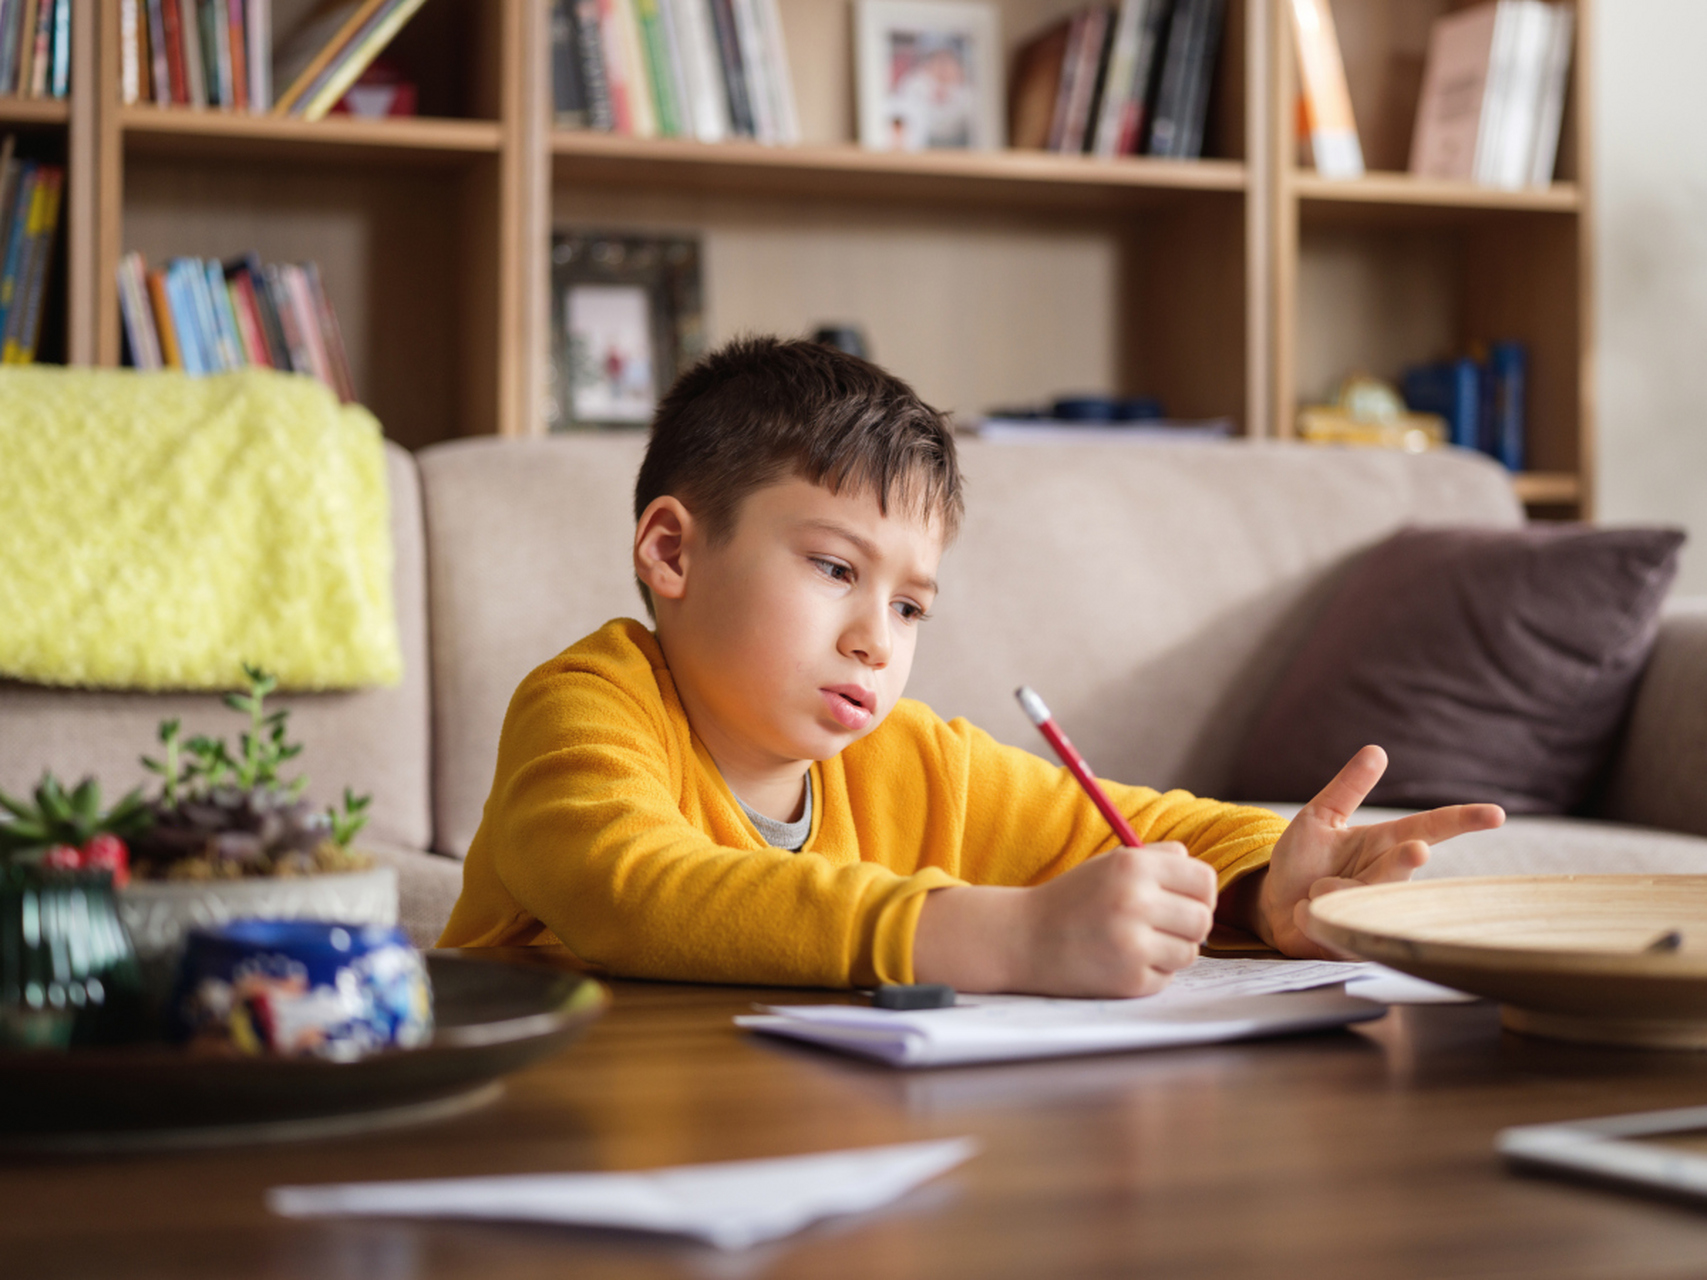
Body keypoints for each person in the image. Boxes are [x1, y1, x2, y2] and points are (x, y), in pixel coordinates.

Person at [438, 337, 1504, 995]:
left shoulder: (910, 759)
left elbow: (1133, 822)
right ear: (672, 551)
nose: (876, 638)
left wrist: (1273, 884)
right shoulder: (587, 705)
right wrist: (993, 933)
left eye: (909, 604)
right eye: (832, 567)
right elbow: (638, 892)